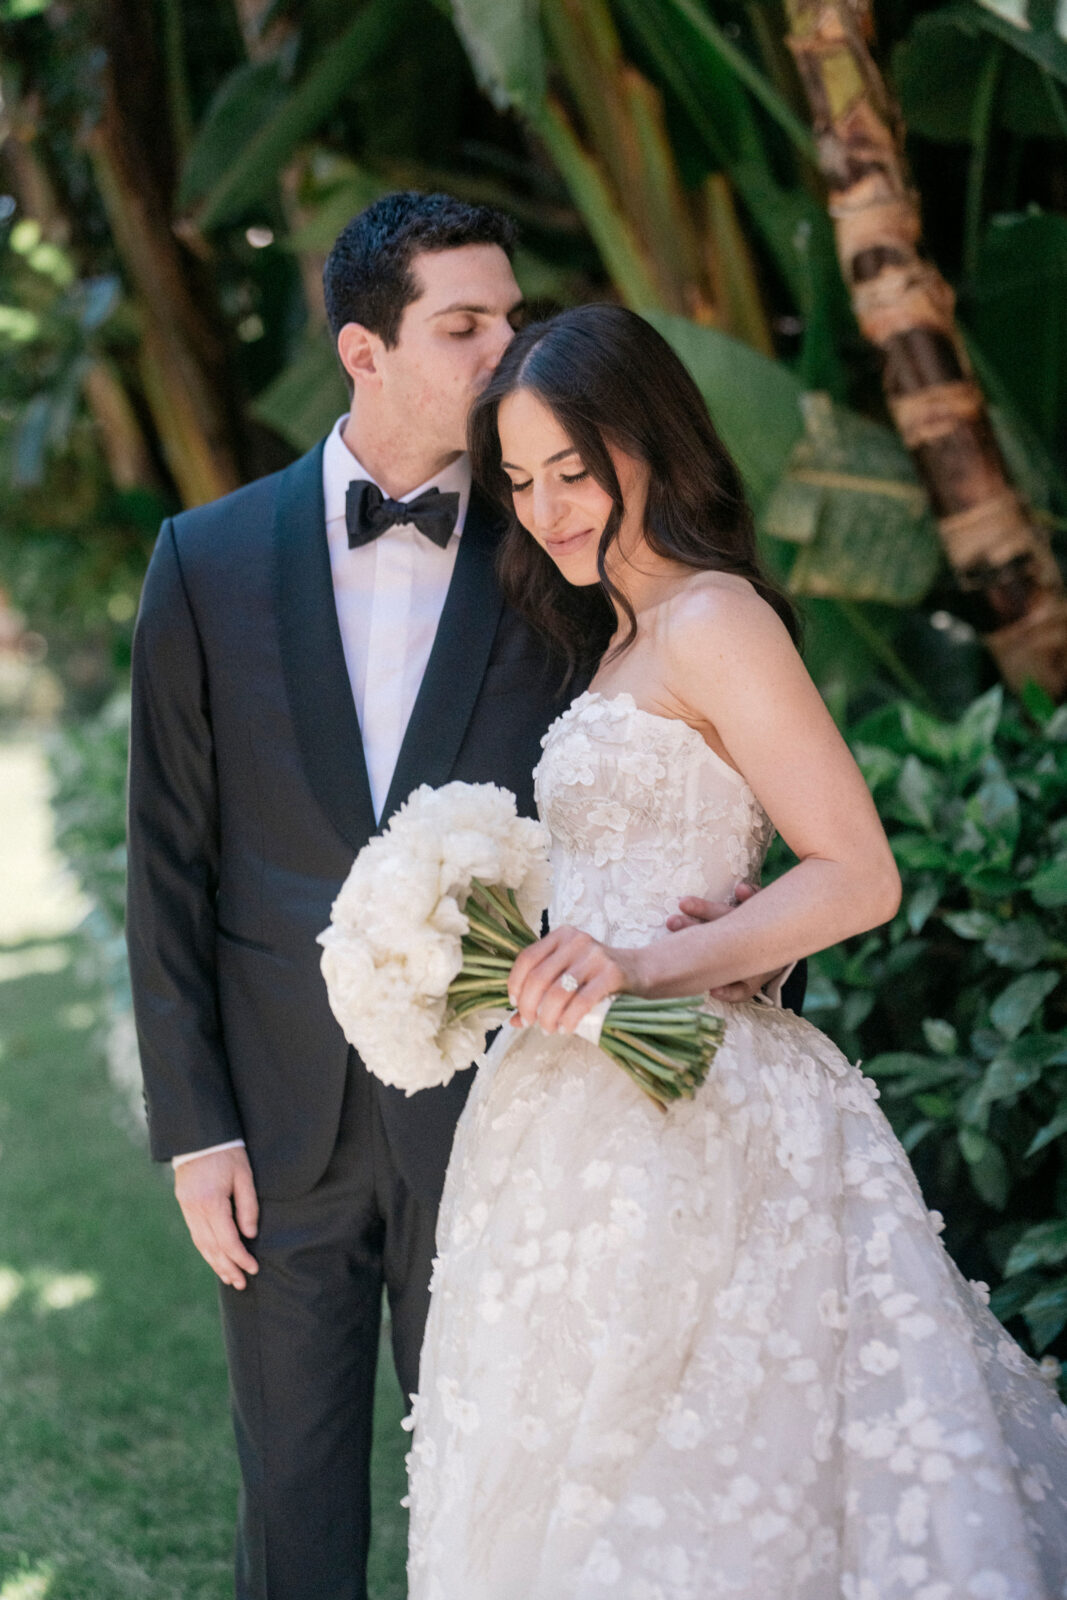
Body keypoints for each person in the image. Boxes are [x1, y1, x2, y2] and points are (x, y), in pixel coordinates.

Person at [125, 193, 800, 1600]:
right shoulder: (204, 561)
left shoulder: (557, 540)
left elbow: (686, 754)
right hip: (281, 1127)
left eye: (514, 317)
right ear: (365, 352)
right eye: (467, 325)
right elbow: (169, 859)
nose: (509, 349)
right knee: (294, 1501)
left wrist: (734, 943)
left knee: (508, 1498)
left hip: (518, 1116)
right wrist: (197, 1134)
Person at [406, 303, 1067, 1599]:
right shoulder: (615, 643)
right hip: (562, 1128)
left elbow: (858, 873)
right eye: (524, 481)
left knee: (707, 1474)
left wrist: (648, 968)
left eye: (575, 472)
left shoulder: (715, 620)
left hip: (700, 1114)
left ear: (648, 442)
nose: (547, 511)